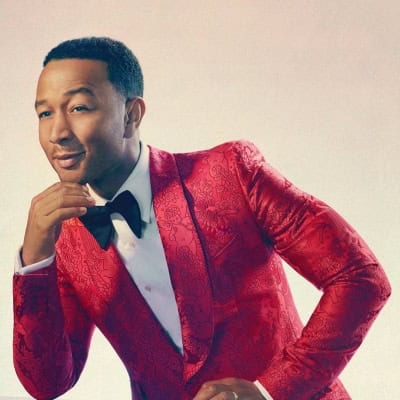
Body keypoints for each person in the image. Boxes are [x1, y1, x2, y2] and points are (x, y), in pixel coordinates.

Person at [13, 37, 391, 400]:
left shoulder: (230, 173)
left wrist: (271, 391)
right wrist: (34, 260)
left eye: (78, 108)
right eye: (45, 113)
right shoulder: (63, 240)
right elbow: (48, 383)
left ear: (131, 115)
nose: (57, 133)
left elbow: (360, 276)